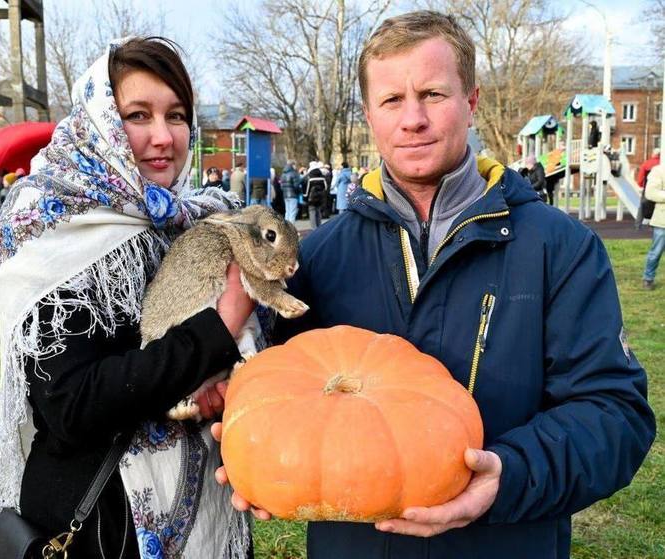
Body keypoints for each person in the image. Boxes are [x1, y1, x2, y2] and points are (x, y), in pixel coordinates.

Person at [216, 11, 655, 559]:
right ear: (370, 115)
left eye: (432, 94)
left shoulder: (559, 249)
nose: (413, 119)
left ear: (470, 102)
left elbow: (615, 415)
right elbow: (280, 392)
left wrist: (509, 476)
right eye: (392, 100)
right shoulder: (318, 258)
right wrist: (253, 442)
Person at [0, 37, 255, 558]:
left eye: (176, 115)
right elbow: (72, 405)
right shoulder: (52, 224)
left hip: (208, 519)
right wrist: (219, 329)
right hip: (102, 527)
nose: (163, 136)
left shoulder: (197, 219)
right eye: (138, 115)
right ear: (98, 121)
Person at [642, 162, 665, 289]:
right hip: (662, 221)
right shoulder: (658, 171)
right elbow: (650, 193)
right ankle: (648, 278)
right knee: (656, 252)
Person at [636, 148, 661, 229]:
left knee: (642, 206)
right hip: (660, 188)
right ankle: (654, 225)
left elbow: (641, 176)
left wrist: (640, 184)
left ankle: (638, 224)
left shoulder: (647, 163)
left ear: (653, 154)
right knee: (657, 206)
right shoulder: (661, 164)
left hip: (648, 187)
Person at [302, 161, 327, 229]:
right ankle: (319, 227)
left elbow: (307, 189)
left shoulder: (309, 177)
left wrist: (305, 197)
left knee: (312, 212)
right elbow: (325, 187)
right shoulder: (322, 177)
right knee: (318, 211)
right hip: (320, 197)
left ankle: (314, 228)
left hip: (311, 198)